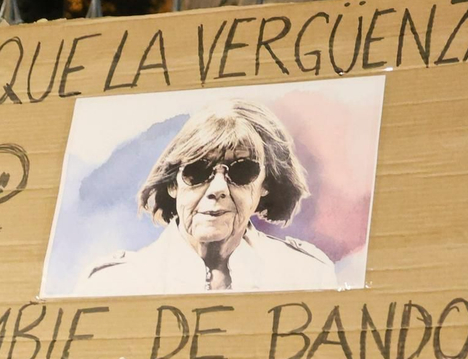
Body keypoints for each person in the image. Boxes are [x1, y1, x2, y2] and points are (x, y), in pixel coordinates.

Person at [77, 98, 339, 295]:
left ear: (265, 185)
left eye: (242, 170)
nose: (217, 189)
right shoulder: (115, 284)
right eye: (197, 170)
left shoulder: (307, 276)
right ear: (173, 184)